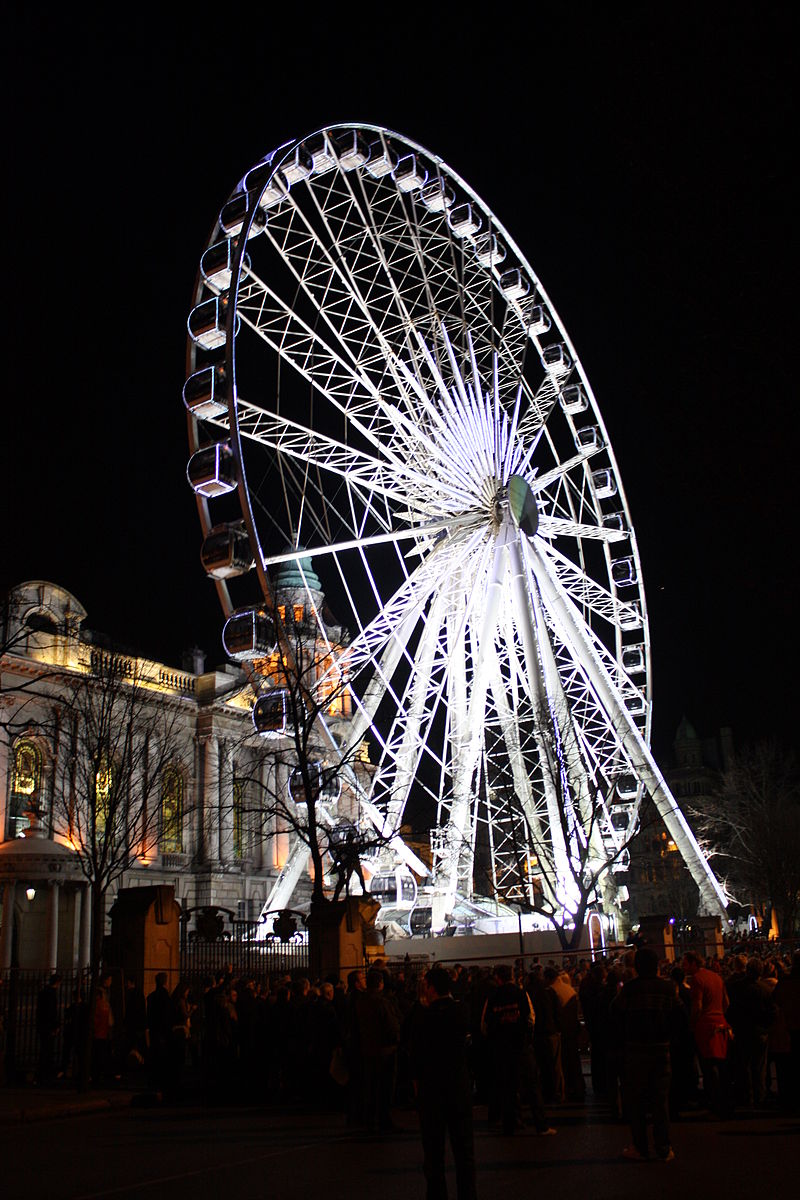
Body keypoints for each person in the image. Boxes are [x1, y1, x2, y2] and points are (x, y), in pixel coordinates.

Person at [409, 966, 478, 1200]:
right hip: (458, 1087)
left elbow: (415, 1058)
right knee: (464, 1152)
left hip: (431, 1091)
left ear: (430, 988)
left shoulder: (422, 1017)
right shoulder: (461, 1011)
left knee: (433, 1154)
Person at [612, 947, 680, 1162]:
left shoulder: (630, 989)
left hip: (635, 1050)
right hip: (661, 1049)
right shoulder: (668, 988)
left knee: (637, 1102)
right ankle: (663, 1147)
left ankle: (640, 1146)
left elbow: (615, 1012)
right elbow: (679, 1016)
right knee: (660, 1102)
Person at [683, 951, 732, 1115]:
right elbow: (726, 1002)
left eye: (685, 964)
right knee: (721, 1065)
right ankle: (725, 1100)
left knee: (708, 1067)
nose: (684, 967)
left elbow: (697, 1006)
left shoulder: (697, 979)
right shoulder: (717, 977)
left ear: (693, 963)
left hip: (706, 1025)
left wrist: (692, 1024)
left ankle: (715, 1103)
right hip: (720, 1022)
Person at [36, 973, 61, 1082]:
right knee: (48, 1050)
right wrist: (55, 1026)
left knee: (44, 1050)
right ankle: (46, 1074)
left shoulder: (43, 993)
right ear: (58, 983)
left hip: (42, 1026)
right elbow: (51, 1012)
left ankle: (42, 1074)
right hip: (48, 1026)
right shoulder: (51, 994)